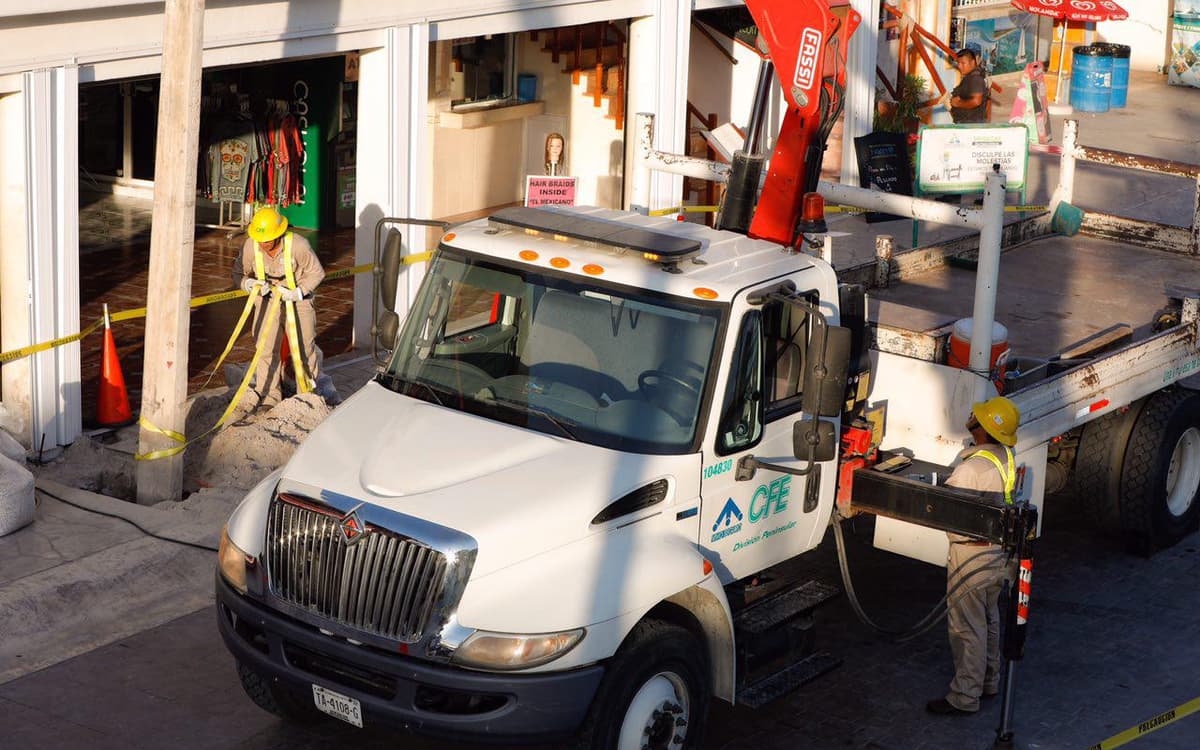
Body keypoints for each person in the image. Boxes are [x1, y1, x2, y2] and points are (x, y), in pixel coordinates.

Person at [927, 395, 1019, 716]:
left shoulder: (971, 469)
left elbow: (948, 511)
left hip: (971, 556)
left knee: (967, 627)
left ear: (984, 430)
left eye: (976, 418)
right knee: (989, 618)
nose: (971, 418)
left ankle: (965, 696)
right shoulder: (1004, 457)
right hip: (997, 555)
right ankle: (989, 681)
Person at [232, 206, 326, 411]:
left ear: (279, 234)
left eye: (268, 239)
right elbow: (238, 273)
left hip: (298, 300)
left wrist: (299, 292)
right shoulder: (251, 246)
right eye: (260, 239)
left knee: (304, 349)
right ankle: (270, 395)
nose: (263, 244)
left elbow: (317, 273)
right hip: (267, 300)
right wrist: (249, 284)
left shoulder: (298, 245)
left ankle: (306, 395)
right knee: (266, 349)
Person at [949, 49, 989, 124]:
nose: (960, 66)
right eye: (958, 63)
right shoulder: (970, 78)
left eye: (963, 63)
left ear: (973, 62)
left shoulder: (976, 78)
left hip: (971, 124)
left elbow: (976, 102)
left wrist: (958, 103)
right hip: (968, 122)